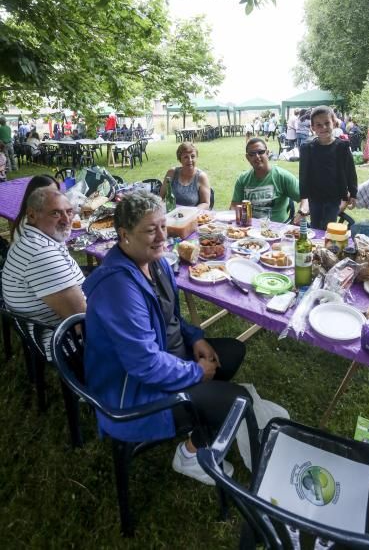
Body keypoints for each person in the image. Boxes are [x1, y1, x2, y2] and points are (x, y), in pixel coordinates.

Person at [83, 190, 254, 485]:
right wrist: (195, 372)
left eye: (163, 225)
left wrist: (196, 338)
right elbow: (144, 364)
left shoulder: (156, 261)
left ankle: (200, 418)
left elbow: (170, 316)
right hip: (135, 392)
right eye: (150, 230)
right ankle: (189, 455)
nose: (162, 235)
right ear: (124, 234)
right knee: (238, 400)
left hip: (168, 358)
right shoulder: (119, 288)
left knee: (232, 352)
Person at [2, 188, 86, 356]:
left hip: (53, 327)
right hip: (68, 343)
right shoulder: (40, 254)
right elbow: (83, 323)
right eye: (55, 213)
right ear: (32, 215)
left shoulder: (36, 239)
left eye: (69, 212)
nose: (66, 219)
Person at [299, 106, 358, 230]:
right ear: (313, 127)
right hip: (314, 196)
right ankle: (316, 247)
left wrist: (353, 193)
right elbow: (303, 174)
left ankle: (325, 247)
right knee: (315, 226)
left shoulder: (342, 147)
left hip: (334, 196)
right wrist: (304, 196)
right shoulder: (307, 148)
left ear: (334, 123)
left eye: (327, 123)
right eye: (319, 125)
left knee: (327, 226)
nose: (323, 128)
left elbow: (350, 171)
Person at [231, 138, 307, 223]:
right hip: (249, 229)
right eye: (252, 154)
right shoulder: (243, 179)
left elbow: (306, 198)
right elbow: (234, 206)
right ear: (247, 157)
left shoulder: (282, 176)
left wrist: (301, 213)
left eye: (260, 152)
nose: (257, 156)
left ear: (267, 153)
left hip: (277, 230)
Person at [160, 142, 211, 209]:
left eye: (192, 156)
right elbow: (161, 197)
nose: (190, 160)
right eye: (186, 157)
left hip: (192, 215)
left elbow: (205, 203)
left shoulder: (201, 177)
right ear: (180, 159)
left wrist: (192, 211)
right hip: (171, 214)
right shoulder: (171, 173)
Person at [10, 174, 60, 242]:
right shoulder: (31, 220)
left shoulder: (39, 211)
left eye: (57, 193)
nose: (56, 197)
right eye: (49, 193)